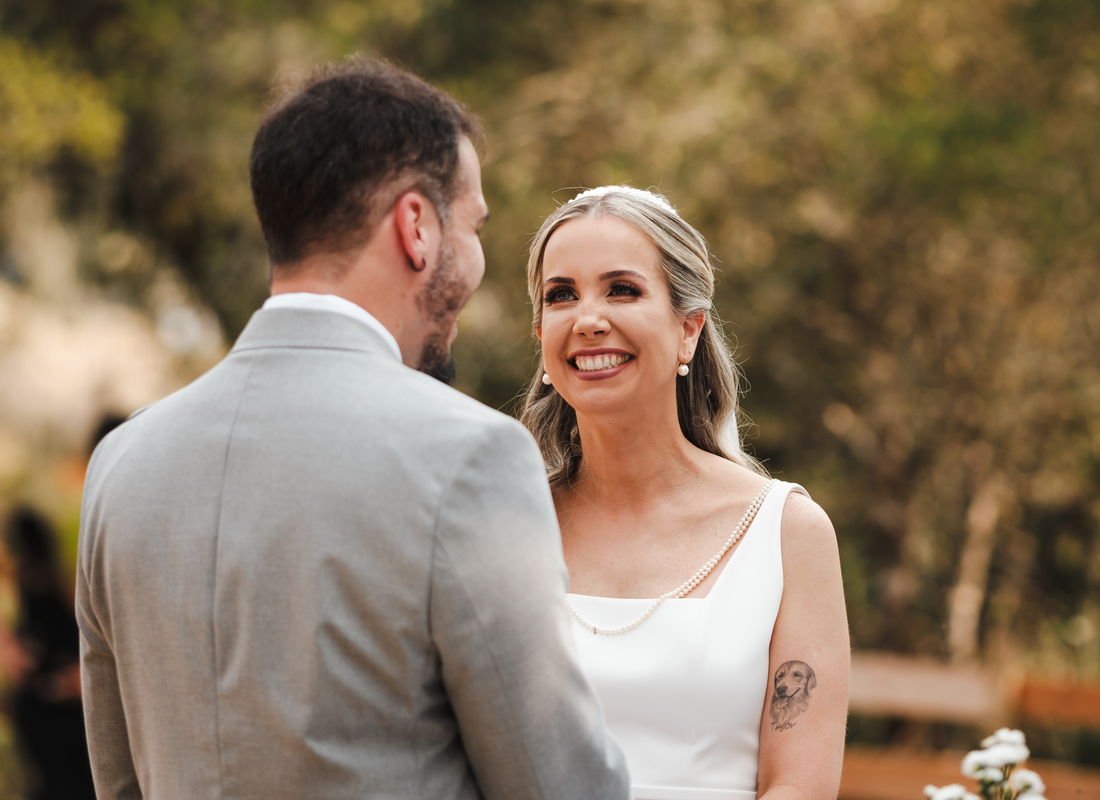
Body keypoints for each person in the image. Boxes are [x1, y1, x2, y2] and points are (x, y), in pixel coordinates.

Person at [76, 58, 629, 800]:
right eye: (473, 225)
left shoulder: (121, 462)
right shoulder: (469, 456)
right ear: (416, 227)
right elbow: (559, 787)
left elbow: (118, 781)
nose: (476, 259)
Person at [520, 186, 851, 799]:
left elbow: (799, 786)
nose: (588, 319)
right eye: (562, 295)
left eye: (622, 289)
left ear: (688, 330)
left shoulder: (787, 534)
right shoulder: (505, 527)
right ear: (541, 334)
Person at [2, 506, 95, 800]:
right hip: (67, 707)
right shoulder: (60, 582)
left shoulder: (33, 586)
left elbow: (21, 664)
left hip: (54, 706)